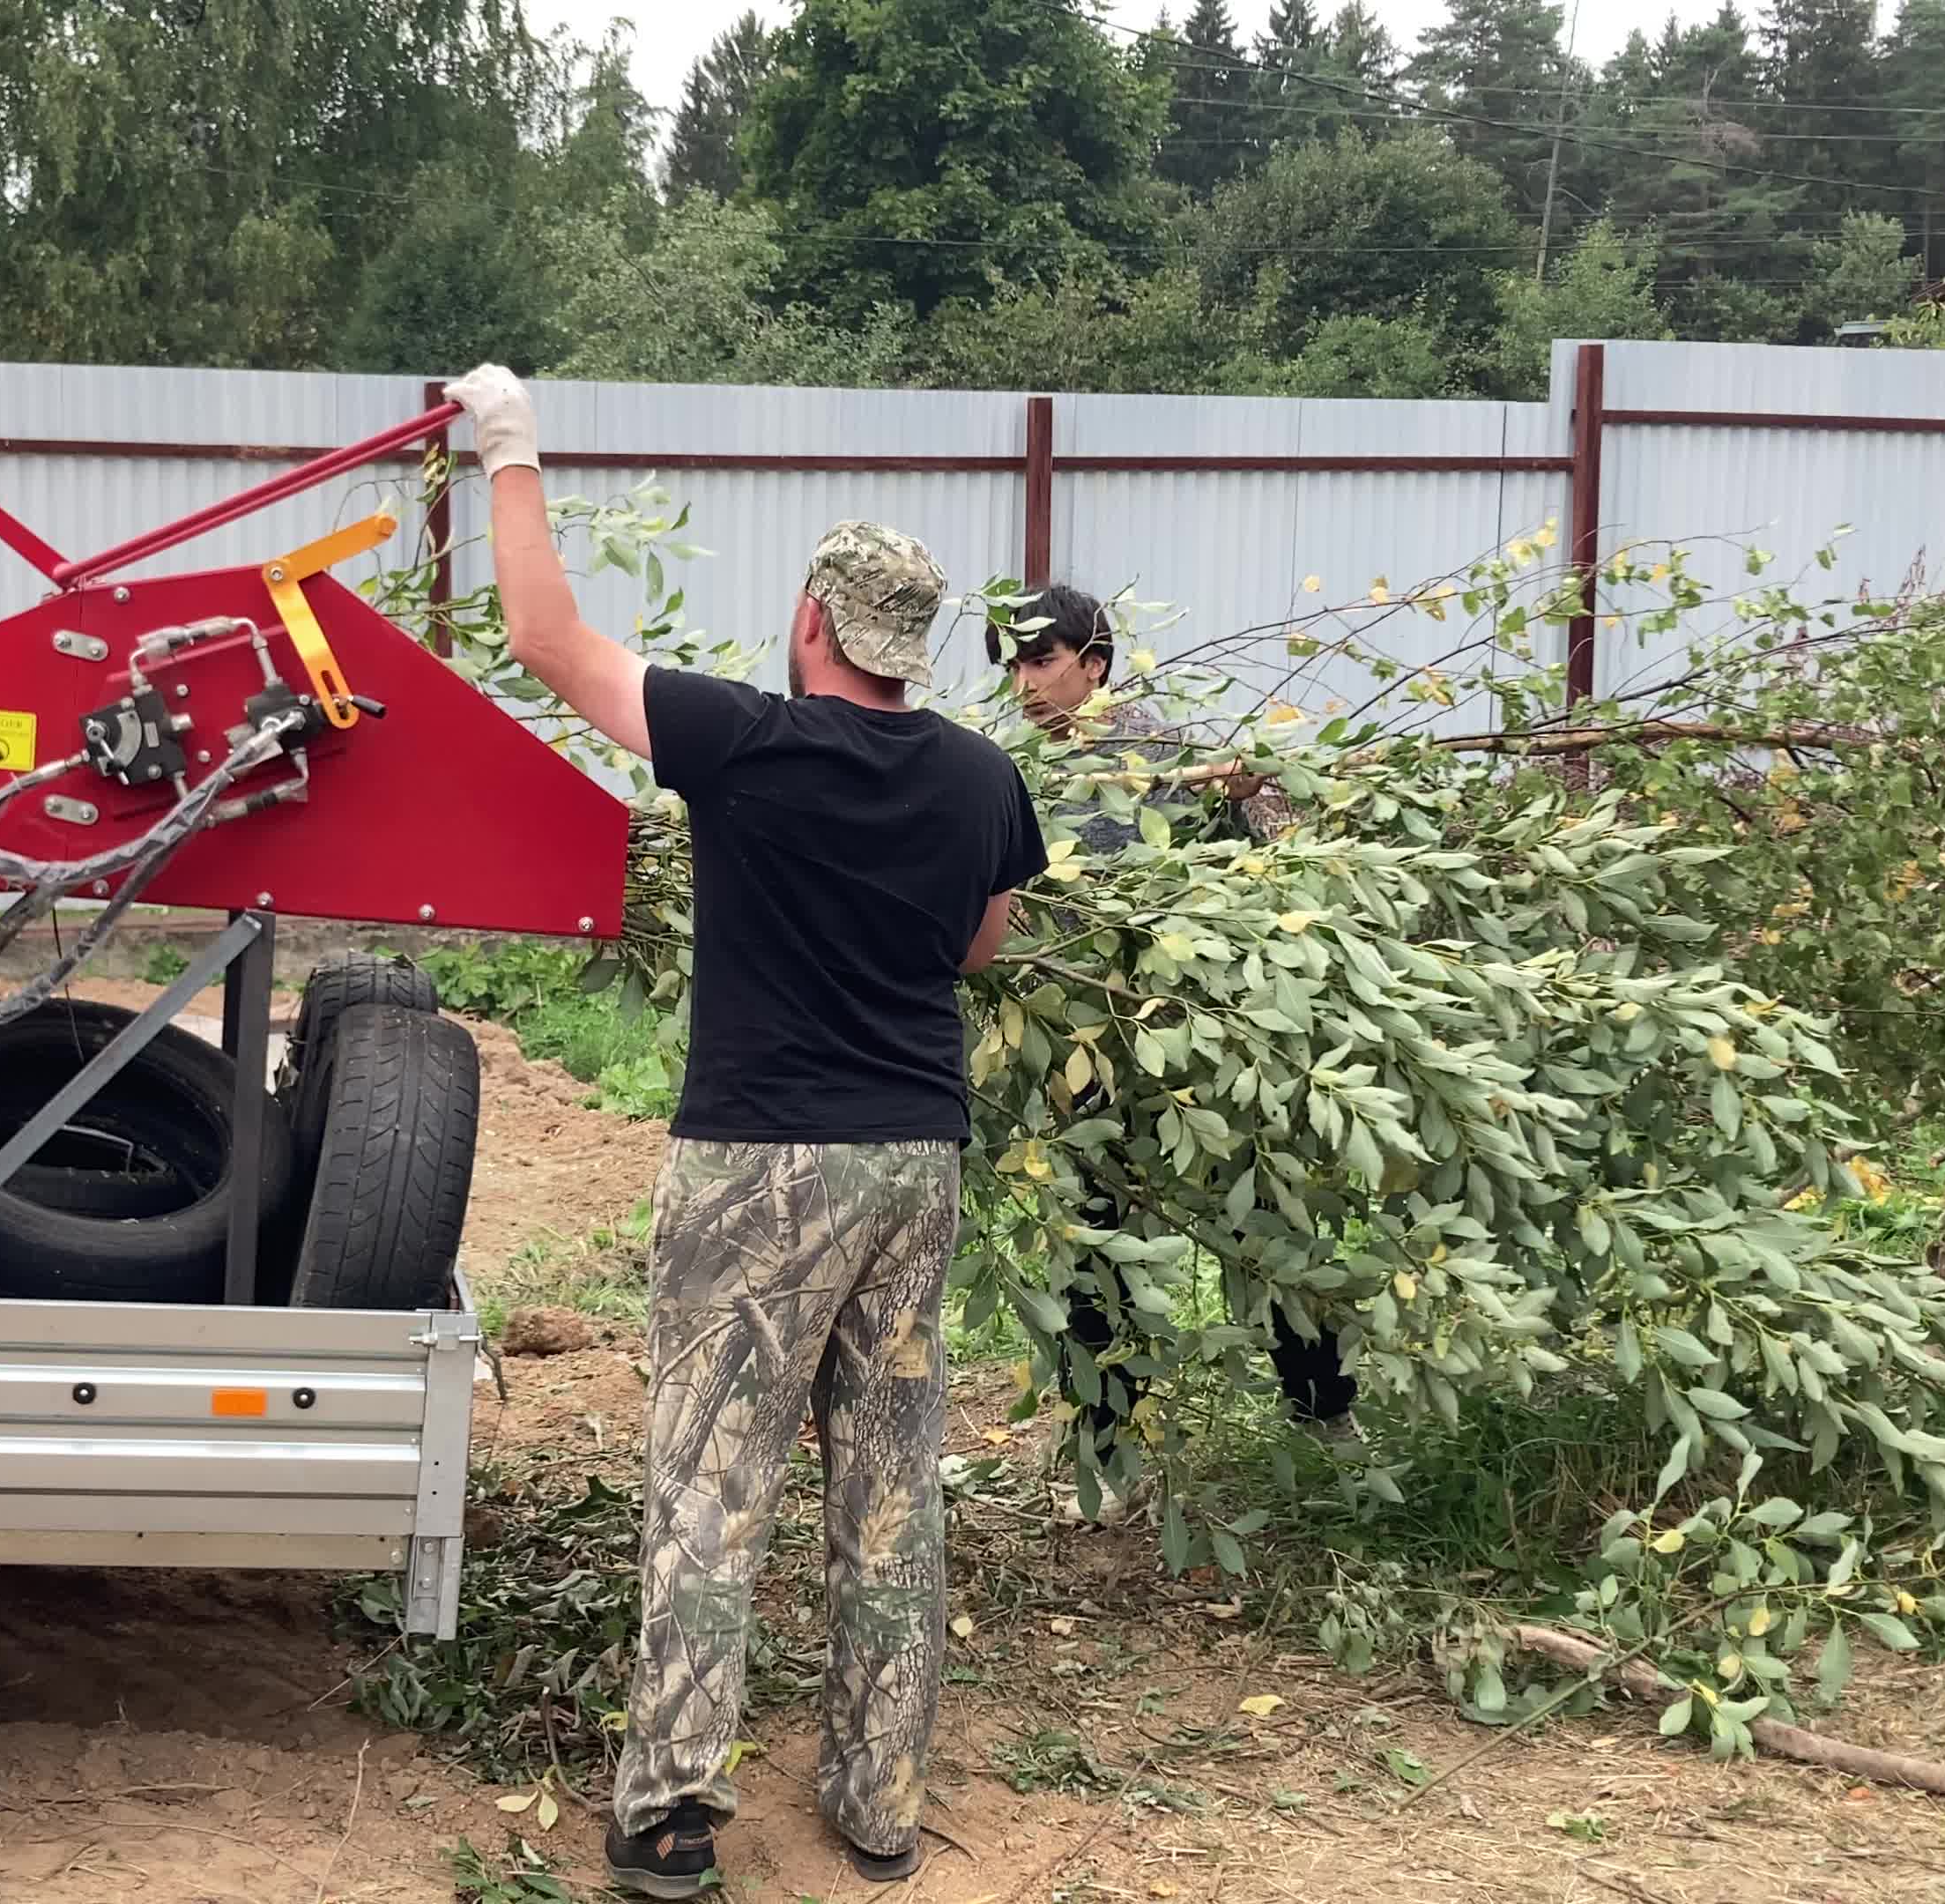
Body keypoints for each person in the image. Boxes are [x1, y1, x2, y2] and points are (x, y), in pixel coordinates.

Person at [442, 365, 1047, 1898]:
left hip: (762, 1165)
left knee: (713, 1485)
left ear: (810, 625)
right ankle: (880, 1806)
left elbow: (544, 641)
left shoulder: (744, 743)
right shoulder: (987, 778)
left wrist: (509, 447)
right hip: (918, 1158)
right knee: (893, 1492)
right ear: (912, 648)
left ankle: (672, 1817)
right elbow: (981, 953)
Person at [991, 588, 1355, 1499]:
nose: (1025, 681)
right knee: (1100, 1242)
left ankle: (1325, 1413)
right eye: (1013, 664)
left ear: (1095, 665)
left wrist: (1237, 808)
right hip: (1082, 1043)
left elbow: (1244, 883)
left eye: (1042, 660)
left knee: (1264, 1217)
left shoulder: (1165, 758)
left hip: (1194, 1038)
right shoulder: (1009, 771)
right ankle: (1110, 1452)